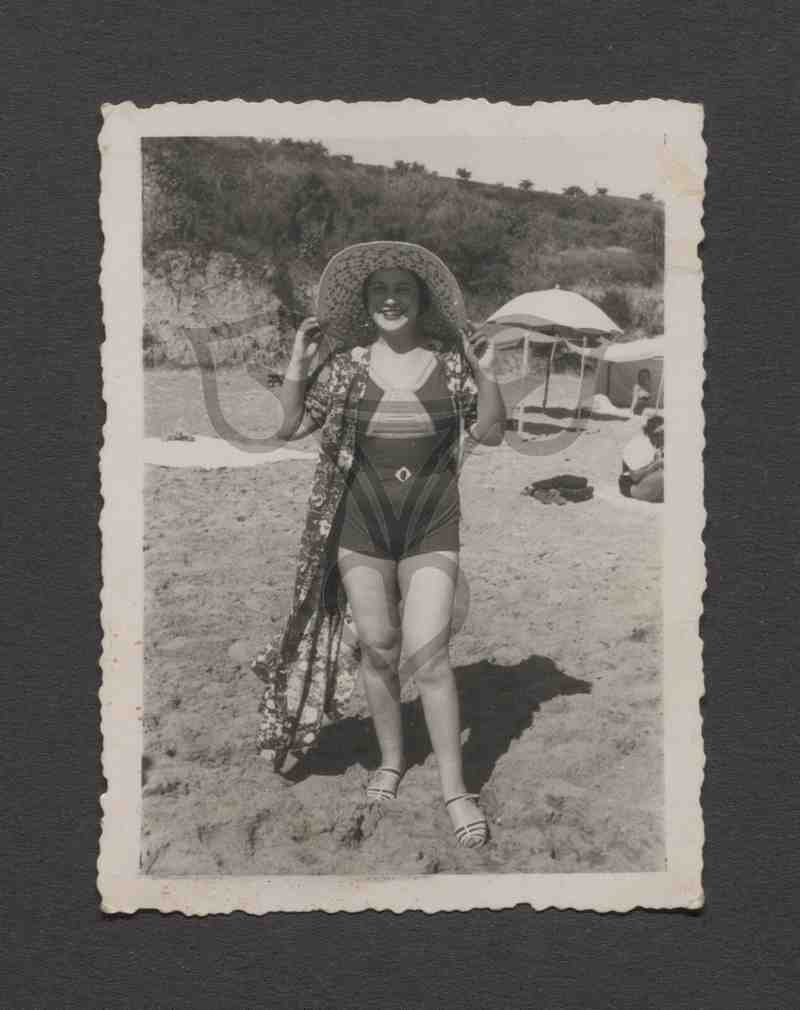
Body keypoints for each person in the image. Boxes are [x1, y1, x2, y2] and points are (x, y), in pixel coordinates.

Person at [252, 241, 506, 848]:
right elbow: (289, 426)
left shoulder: (452, 364)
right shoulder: (344, 367)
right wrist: (298, 362)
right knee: (379, 649)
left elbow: (493, 433)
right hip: (361, 530)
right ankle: (390, 761)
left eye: (403, 290)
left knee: (431, 657)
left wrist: (487, 372)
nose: (391, 300)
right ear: (366, 303)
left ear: (421, 301)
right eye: (380, 291)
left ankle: (455, 789)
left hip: (431, 527)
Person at [619, 414, 664, 502]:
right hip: (632, 486)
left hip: (648, 481)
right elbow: (635, 476)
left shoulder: (657, 444)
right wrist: (656, 464)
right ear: (653, 432)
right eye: (661, 433)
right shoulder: (639, 444)